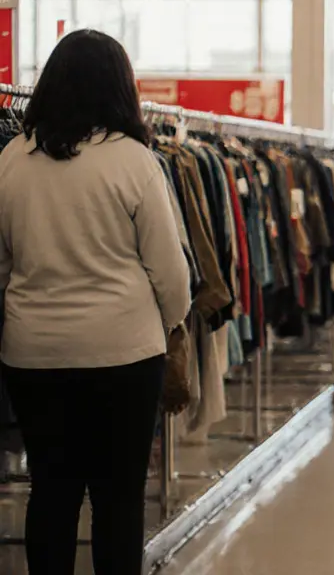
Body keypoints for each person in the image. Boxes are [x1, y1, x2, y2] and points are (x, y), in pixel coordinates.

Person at [0, 30, 191, 575]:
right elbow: (170, 272)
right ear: (119, 88)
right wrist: (172, 323)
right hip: (124, 355)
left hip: (33, 354)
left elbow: (1, 264)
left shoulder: (12, 159)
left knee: (51, 492)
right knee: (118, 498)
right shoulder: (134, 161)